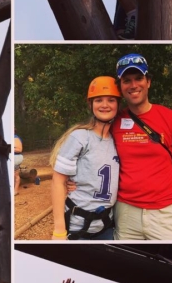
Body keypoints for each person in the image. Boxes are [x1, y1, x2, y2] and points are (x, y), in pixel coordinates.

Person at [111, 53, 172, 240]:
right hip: (125, 213)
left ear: (148, 81)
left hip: (163, 214)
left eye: (139, 78)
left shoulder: (171, 119)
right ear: (120, 87)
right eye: (127, 80)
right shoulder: (113, 122)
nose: (133, 85)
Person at [49, 77, 121, 240]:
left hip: (105, 225)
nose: (105, 105)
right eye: (98, 100)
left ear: (118, 104)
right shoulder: (80, 137)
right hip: (77, 226)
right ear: (90, 104)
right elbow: (58, 181)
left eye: (111, 100)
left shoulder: (117, 139)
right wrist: (59, 229)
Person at [14, 131, 24, 196]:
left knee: (15, 175)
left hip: (16, 157)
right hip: (14, 157)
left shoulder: (15, 138)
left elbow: (19, 149)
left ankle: (15, 191)